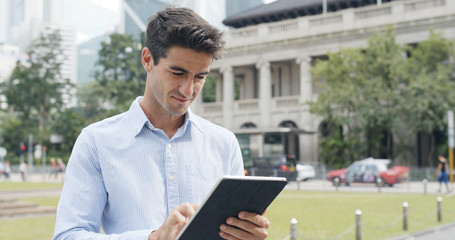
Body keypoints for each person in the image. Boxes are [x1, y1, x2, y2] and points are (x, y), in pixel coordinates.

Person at [53, 6, 270, 240]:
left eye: (200, 77)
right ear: (148, 60)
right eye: (177, 73)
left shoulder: (224, 143)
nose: (188, 90)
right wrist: (151, 238)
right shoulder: (96, 142)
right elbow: (68, 235)